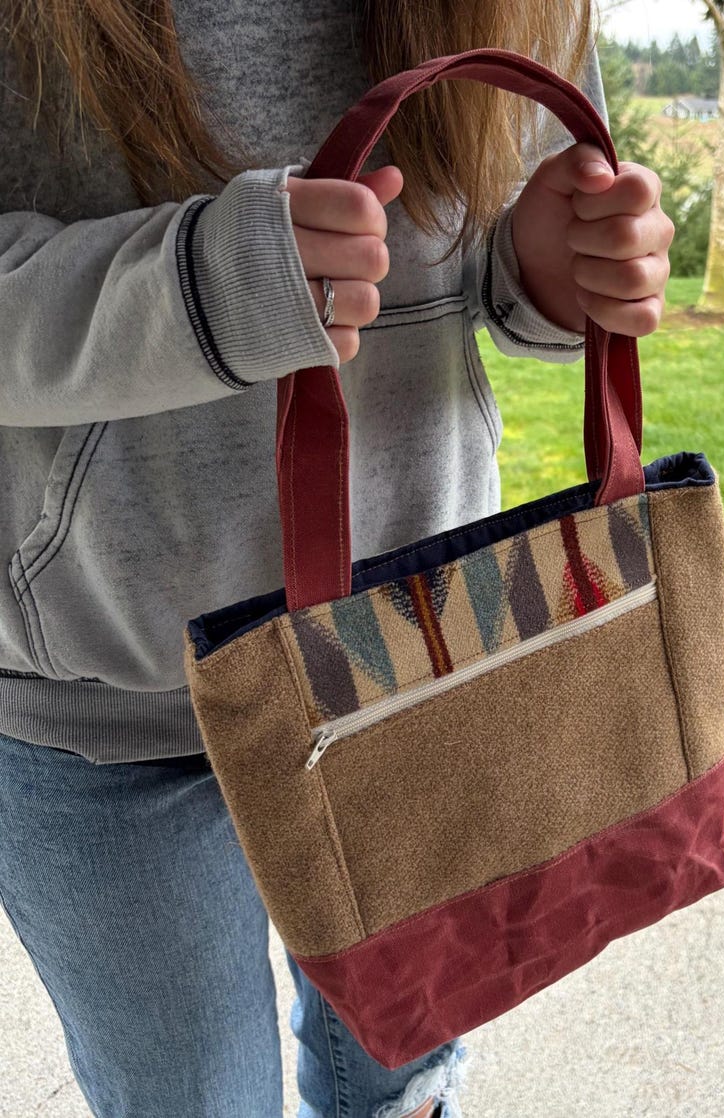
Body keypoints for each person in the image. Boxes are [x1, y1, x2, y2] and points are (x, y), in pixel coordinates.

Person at [0, 1, 673, 1115]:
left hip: (414, 662)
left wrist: (554, 269)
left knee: (403, 1077)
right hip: (106, 705)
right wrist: (205, 288)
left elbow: (514, 226)